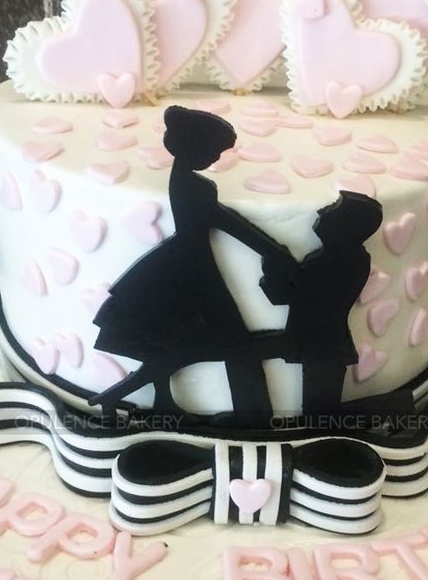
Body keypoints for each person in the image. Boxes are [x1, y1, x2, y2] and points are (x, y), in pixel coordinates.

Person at [90, 105, 296, 422]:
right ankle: (253, 414)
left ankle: (121, 396)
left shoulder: (182, 180)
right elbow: (228, 223)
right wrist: (271, 249)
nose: (215, 160)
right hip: (194, 272)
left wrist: (270, 249)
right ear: (197, 147)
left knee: (179, 350)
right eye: (214, 152)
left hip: (181, 265)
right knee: (234, 344)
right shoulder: (196, 187)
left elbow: (225, 221)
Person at [260, 191, 383, 415]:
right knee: (319, 405)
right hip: (324, 343)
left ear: (347, 226)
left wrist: (273, 273)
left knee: (319, 410)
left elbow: (288, 298)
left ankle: (322, 438)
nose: (321, 212)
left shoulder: (334, 262)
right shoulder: (352, 259)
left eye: (332, 209)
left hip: (322, 345)